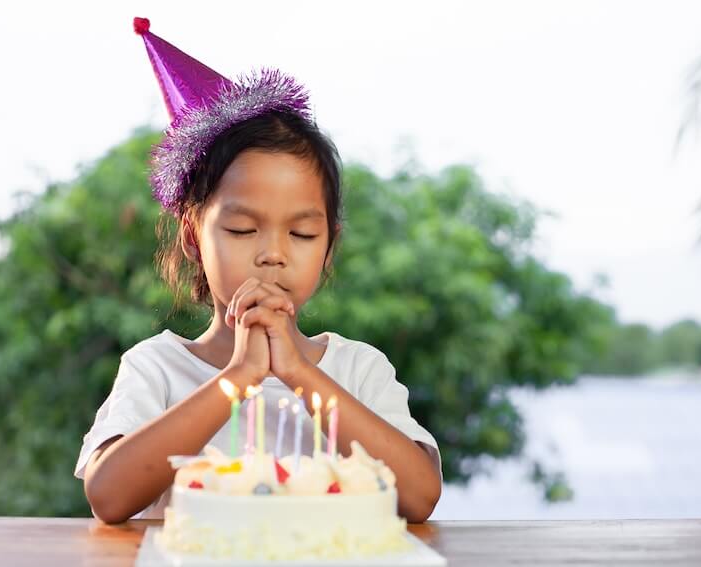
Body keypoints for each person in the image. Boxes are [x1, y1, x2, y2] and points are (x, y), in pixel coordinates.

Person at [74, 18, 442, 525]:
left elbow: (420, 497)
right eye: (244, 230)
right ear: (192, 238)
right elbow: (109, 497)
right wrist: (239, 377)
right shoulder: (156, 368)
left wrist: (297, 372)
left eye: (302, 234)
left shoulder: (358, 371)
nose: (273, 254)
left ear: (329, 247)